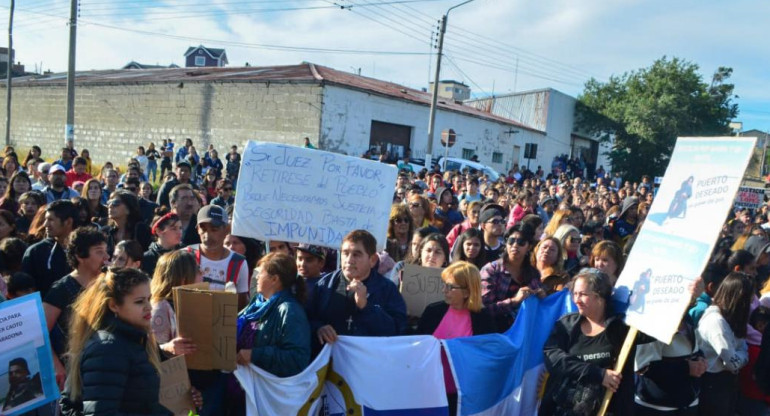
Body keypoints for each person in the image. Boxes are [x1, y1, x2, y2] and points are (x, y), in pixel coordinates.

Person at [59, 268, 175, 416]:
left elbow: (142, 403)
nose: (149, 307)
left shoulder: (132, 339)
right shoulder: (107, 349)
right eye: (139, 302)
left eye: (149, 299)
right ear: (113, 305)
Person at [540, 269, 653, 416]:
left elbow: (658, 331)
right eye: (575, 294)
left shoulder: (621, 328)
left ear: (600, 297)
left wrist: (687, 301)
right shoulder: (566, 325)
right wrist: (598, 374)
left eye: (583, 294)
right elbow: (554, 359)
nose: (576, 300)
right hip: (563, 409)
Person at [415, 261, 496, 414]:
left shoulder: (483, 319)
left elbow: (488, 356)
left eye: (450, 287)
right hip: (429, 391)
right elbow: (417, 347)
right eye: (444, 284)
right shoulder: (433, 311)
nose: (444, 290)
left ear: (467, 291)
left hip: (463, 397)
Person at [310, 230, 407, 353]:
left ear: (372, 260)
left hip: (368, 364)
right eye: (345, 253)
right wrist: (318, 328)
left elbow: (397, 331)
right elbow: (307, 320)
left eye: (356, 254)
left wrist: (366, 307)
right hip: (330, 364)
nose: (349, 260)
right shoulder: (324, 286)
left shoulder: (387, 290)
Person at [43, 227, 109, 390]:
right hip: (77, 370)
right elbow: (40, 332)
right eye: (99, 252)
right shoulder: (61, 289)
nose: (107, 258)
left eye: (106, 252)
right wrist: (55, 364)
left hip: (106, 364)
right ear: (80, 256)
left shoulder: (108, 284)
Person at [236, 252, 311, 376]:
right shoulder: (256, 302)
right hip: (245, 382)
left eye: (261, 273)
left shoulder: (290, 310)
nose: (256, 277)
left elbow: (297, 359)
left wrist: (254, 355)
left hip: (267, 387)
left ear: (274, 279)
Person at [696, 272, 752, 416]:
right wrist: (743, 355)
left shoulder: (730, 319)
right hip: (712, 384)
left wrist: (741, 354)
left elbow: (741, 347)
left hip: (725, 383)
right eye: (748, 299)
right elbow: (732, 360)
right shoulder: (716, 321)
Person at [480, 222, 544, 332]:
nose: (515, 245)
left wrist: (541, 297)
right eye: (511, 241)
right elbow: (484, 308)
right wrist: (514, 301)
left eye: (521, 242)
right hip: (495, 332)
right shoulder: (491, 270)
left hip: (524, 332)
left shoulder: (533, 274)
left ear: (529, 246)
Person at [187, 204, 249, 309]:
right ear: (197, 229)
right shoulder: (186, 256)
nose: (207, 236)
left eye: (214, 229)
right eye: (203, 229)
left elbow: (241, 305)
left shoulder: (239, 263)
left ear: (226, 230)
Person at [21, 200, 78, 296]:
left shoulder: (86, 250)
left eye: (51, 220)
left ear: (68, 222)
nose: (45, 224)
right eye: (45, 219)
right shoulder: (35, 252)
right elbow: (26, 290)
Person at [150, 250, 201, 353]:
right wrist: (167, 348)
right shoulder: (160, 308)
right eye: (197, 271)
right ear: (183, 279)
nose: (202, 274)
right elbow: (151, 351)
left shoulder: (191, 301)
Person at [142, 210, 183, 275]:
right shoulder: (147, 259)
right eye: (174, 228)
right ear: (158, 231)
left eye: (180, 228)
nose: (179, 232)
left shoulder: (185, 252)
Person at [296, 244, 326, 310]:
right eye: (300, 258)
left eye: (309, 260)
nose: (302, 264)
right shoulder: (290, 280)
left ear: (321, 263)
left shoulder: (326, 286)